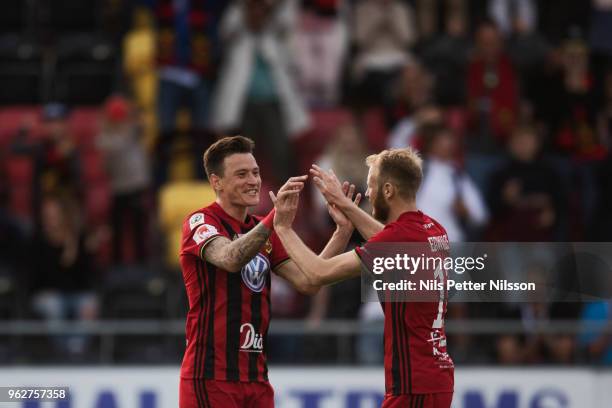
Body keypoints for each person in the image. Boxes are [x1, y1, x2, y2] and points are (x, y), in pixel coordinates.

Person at [178, 135, 358, 408]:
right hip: (211, 377)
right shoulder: (201, 221)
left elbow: (310, 281)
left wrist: (342, 232)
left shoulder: (263, 228)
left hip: (256, 379)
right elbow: (229, 258)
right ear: (217, 182)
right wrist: (274, 219)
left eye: (255, 172)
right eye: (241, 174)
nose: (253, 181)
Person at [271, 148, 454, 407]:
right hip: (435, 375)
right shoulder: (435, 231)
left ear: (388, 190)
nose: (368, 194)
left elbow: (317, 273)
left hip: (414, 385)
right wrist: (346, 214)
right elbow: (389, 238)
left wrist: (283, 228)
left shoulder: (397, 241)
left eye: (371, 186)